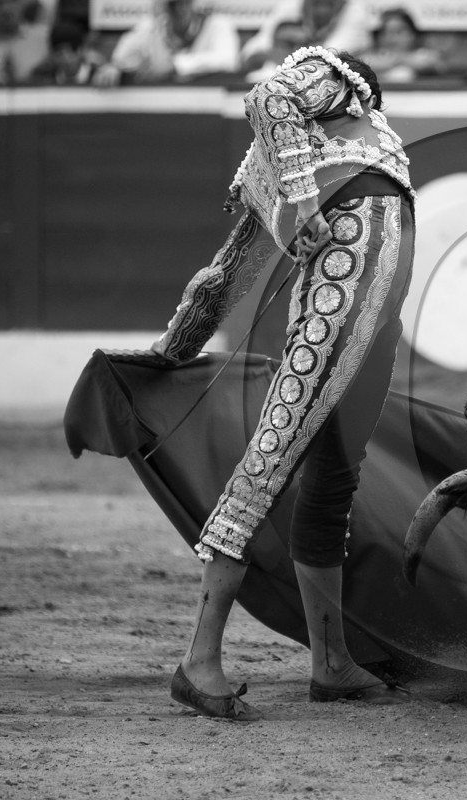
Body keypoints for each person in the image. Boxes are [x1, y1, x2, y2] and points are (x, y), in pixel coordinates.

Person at [150, 47, 415, 718]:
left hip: (373, 296)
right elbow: (270, 95)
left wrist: (172, 349)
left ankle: (331, 663)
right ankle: (197, 661)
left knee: (332, 477)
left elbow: (221, 278)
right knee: (270, 462)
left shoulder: (273, 162)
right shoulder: (335, 78)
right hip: (346, 284)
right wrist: (302, 201)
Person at [92, 0, 239, 86]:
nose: (180, 9)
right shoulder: (152, 26)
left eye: (184, 3)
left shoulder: (217, 24)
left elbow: (228, 60)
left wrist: (175, 66)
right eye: (173, 4)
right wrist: (115, 69)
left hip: (207, 107)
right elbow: (121, 58)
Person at [240, 0, 373, 79]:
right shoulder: (291, 5)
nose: (321, 8)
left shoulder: (355, 12)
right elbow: (250, 53)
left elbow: (322, 60)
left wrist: (281, 55)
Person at [360, 7, 443, 83]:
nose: (392, 37)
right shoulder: (372, 57)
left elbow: (434, 64)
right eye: (387, 32)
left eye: (399, 32)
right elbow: (364, 64)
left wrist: (397, 60)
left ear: (413, 34)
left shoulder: (425, 54)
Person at [30, 18, 105, 84]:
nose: (65, 58)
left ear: (81, 50)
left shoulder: (98, 75)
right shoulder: (44, 76)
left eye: (72, 50)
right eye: (59, 53)